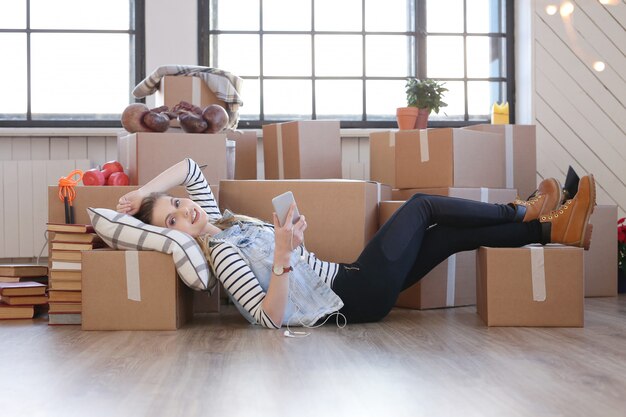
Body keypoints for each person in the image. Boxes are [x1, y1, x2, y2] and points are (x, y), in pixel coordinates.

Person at [116, 158, 596, 330]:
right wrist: (283, 259)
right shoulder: (219, 255)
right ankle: (520, 211)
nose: (186, 211)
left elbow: (190, 168)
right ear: (171, 237)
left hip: (352, 279)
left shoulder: (219, 223)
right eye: (173, 221)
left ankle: (552, 229)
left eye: (178, 204)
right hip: (355, 294)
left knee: (446, 237)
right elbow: (267, 319)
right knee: (424, 206)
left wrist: (142, 194)